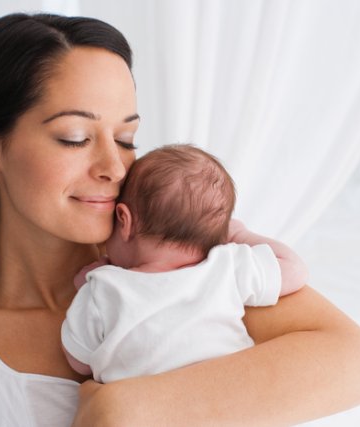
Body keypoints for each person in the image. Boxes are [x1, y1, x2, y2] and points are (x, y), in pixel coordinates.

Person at [0, 12, 360, 427]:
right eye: (74, 137)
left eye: (127, 139)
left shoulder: (183, 256)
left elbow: (359, 364)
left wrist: (128, 408)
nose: (114, 167)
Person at [62, 144, 309, 382]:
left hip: (144, 411)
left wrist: (84, 289)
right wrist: (240, 235)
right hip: (228, 403)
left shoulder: (102, 288)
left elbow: (78, 361)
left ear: (124, 221)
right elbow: (294, 270)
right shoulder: (225, 267)